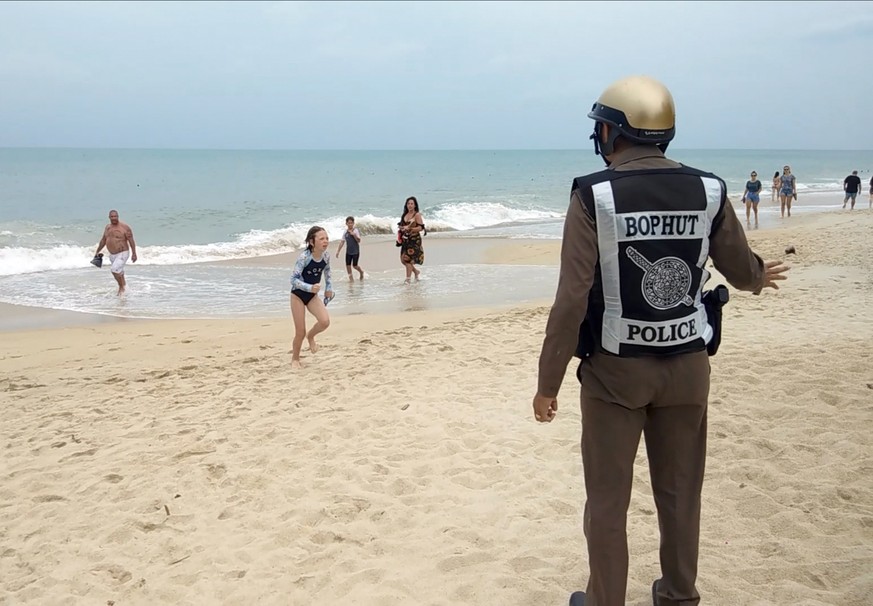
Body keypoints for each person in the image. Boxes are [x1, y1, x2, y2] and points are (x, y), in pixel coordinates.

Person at [531, 75, 790, 606]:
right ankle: (677, 594)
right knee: (679, 493)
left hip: (614, 375)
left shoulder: (593, 195)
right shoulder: (710, 189)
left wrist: (547, 383)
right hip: (688, 367)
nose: (598, 137)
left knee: (607, 501)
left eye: (600, 128)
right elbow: (740, 271)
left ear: (613, 132)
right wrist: (761, 276)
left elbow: (571, 301)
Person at [290, 226, 334, 369]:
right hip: (298, 295)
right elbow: (293, 279)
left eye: (326, 238)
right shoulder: (304, 257)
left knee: (325, 321)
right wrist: (309, 287)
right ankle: (295, 359)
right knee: (300, 331)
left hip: (312, 296)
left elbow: (327, 272)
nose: (325, 241)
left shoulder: (326, 256)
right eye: (321, 239)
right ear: (312, 241)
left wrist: (328, 288)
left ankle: (311, 336)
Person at [94, 209, 137, 296]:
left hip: (123, 253)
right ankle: (125, 287)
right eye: (112, 216)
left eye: (115, 216)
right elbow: (103, 240)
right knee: (119, 271)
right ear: (109, 217)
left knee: (114, 270)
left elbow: (131, 240)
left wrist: (134, 253)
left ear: (118, 216)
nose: (114, 218)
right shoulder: (107, 227)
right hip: (113, 255)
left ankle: (120, 287)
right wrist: (97, 251)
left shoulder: (125, 228)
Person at [398, 196, 425, 283]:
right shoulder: (404, 215)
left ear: (415, 205)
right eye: (408, 203)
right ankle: (416, 272)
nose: (410, 205)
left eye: (412, 204)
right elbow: (402, 226)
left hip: (414, 240)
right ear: (406, 205)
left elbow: (421, 228)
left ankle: (408, 279)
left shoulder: (417, 215)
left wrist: (410, 229)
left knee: (408, 260)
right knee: (403, 260)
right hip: (405, 239)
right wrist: (402, 229)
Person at [335, 216, 365, 281]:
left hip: (355, 251)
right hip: (348, 251)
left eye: (351, 223)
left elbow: (359, 241)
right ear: (346, 223)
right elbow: (342, 242)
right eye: (349, 223)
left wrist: (354, 235)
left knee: (354, 266)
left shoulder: (356, 231)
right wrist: (338, 251)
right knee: (348, 265)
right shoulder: (345, 232)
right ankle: (351, 279)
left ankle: (361, 272)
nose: (350, 224)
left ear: (353, 223)